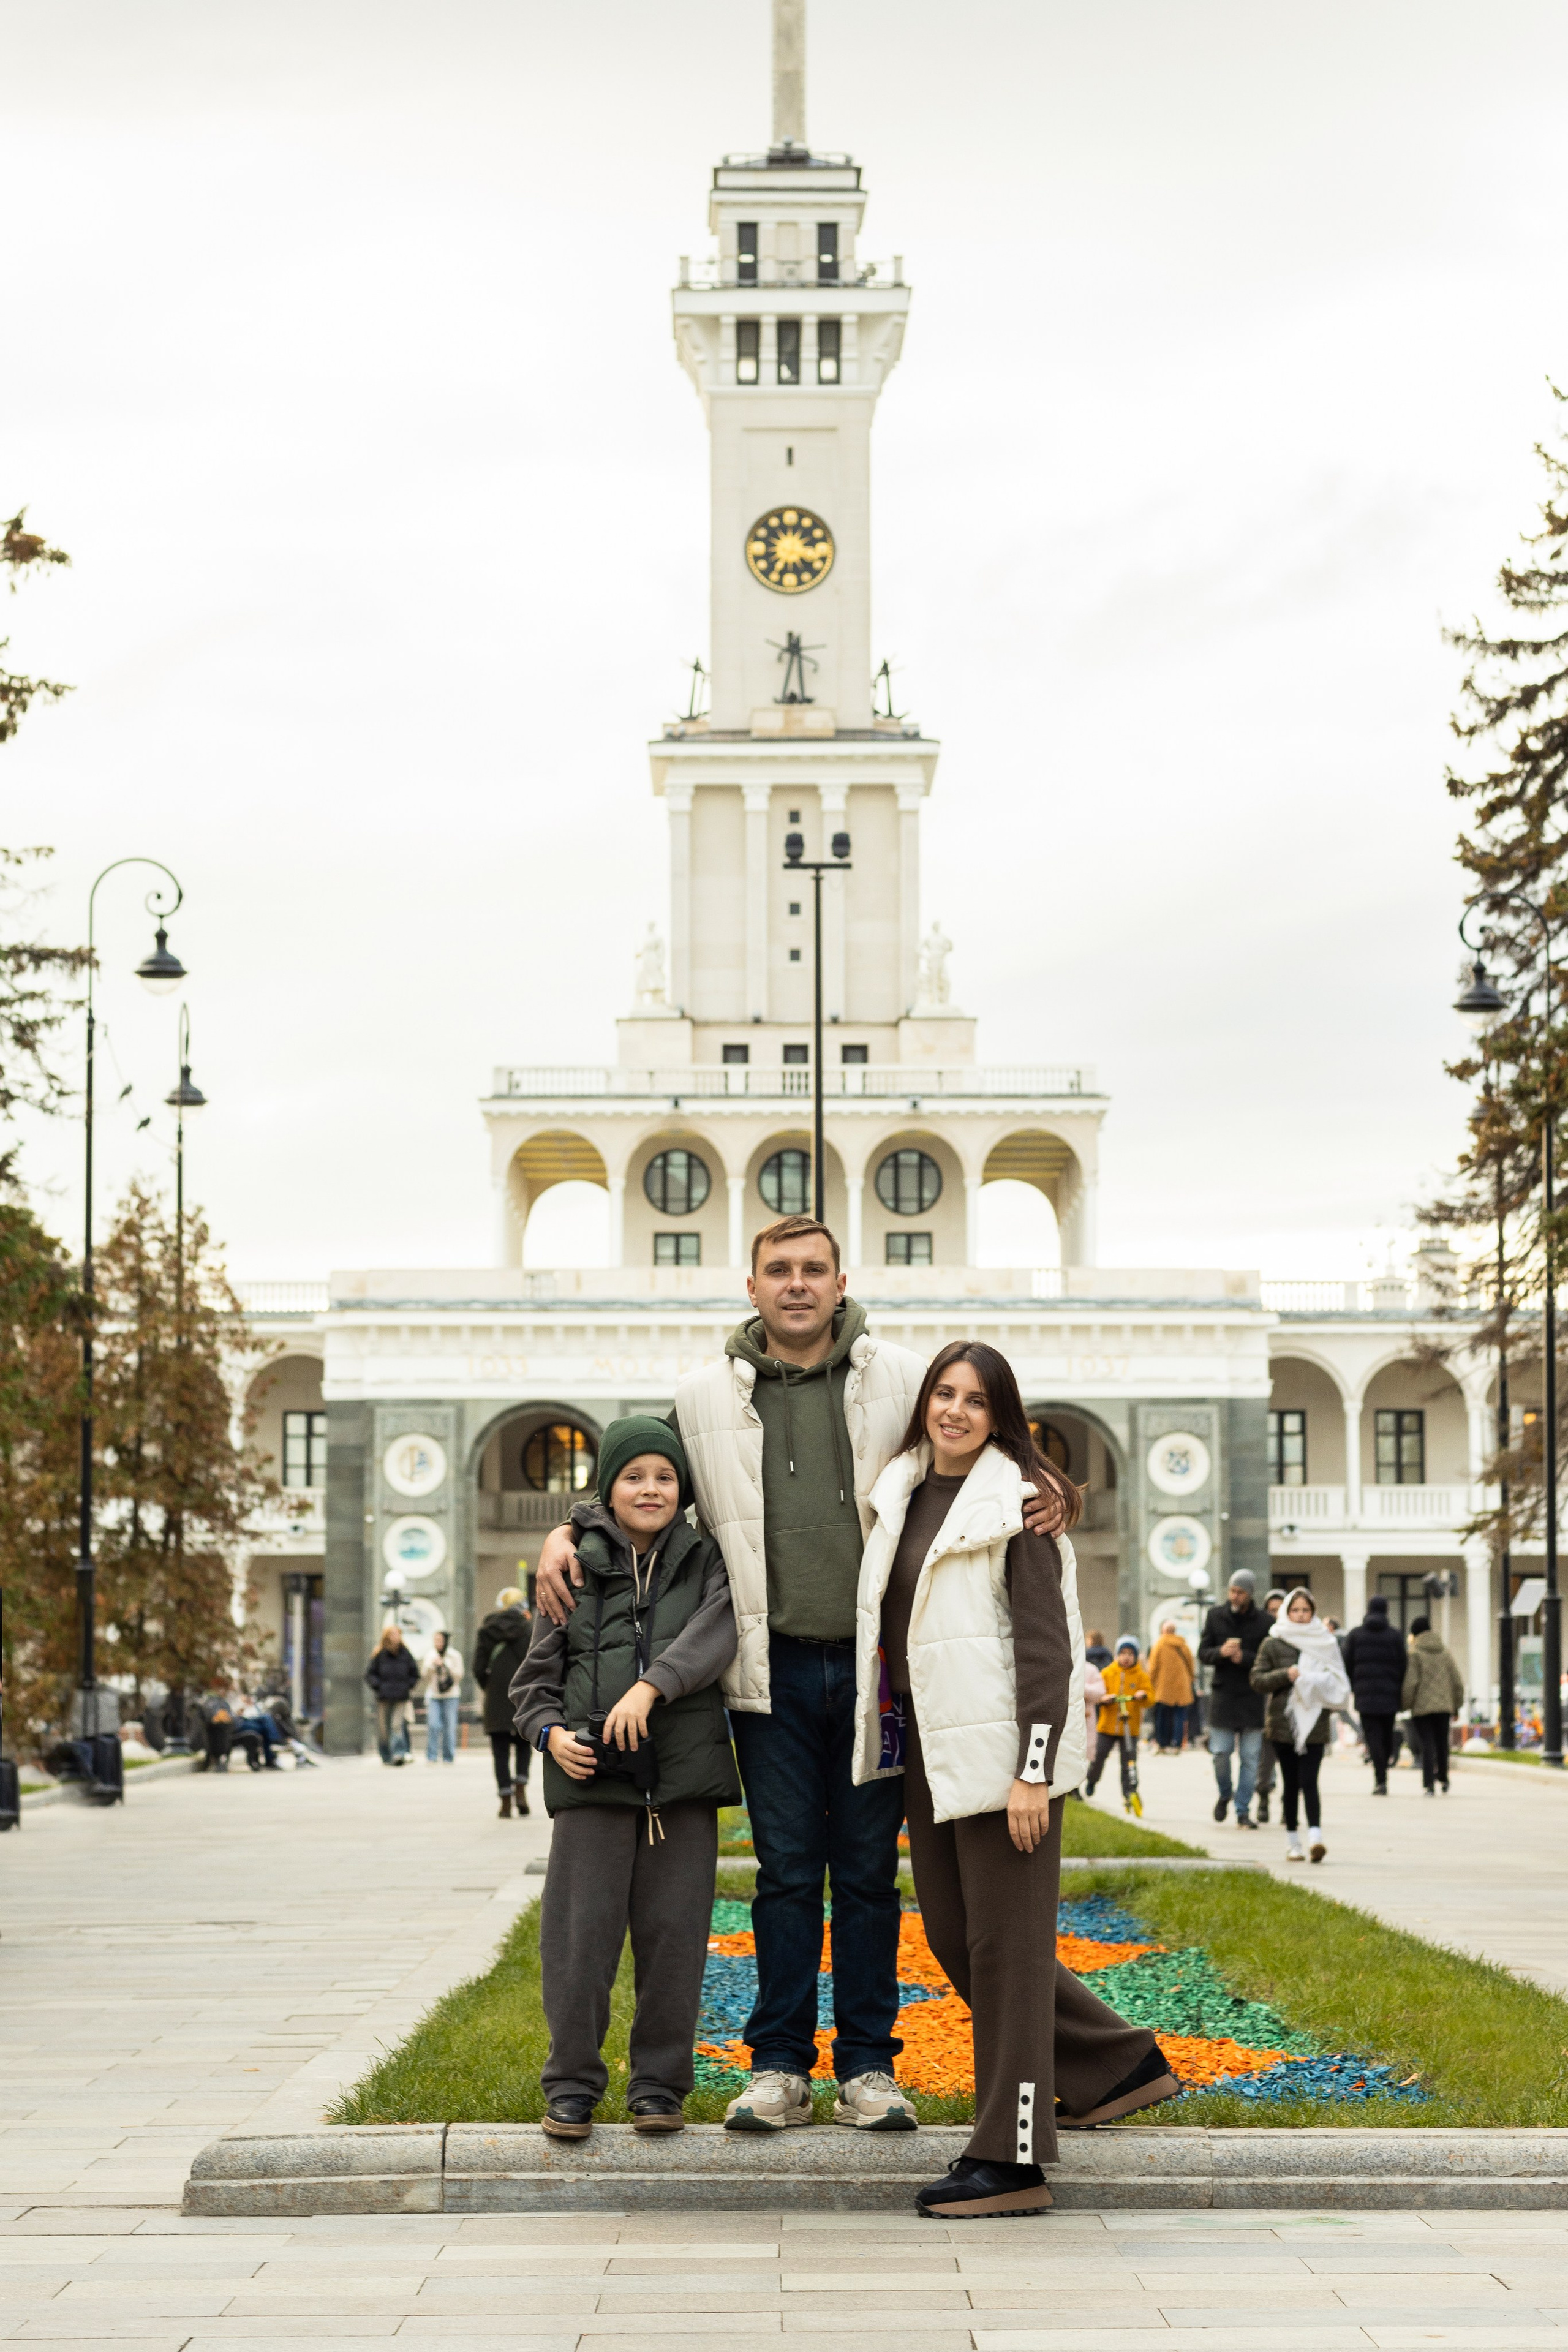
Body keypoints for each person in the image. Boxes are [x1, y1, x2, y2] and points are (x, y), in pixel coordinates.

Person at [533, 1215, 1069, 2136]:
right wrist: (568, 1525)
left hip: (875, 1675)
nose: (796, 1285)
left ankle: (868, 2066)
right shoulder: (703, 1393)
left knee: (866, 1874)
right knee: (785, 1874)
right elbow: (640, 1470)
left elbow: (972, 1434)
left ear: (840, 1281)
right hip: (767, 1674)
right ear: (751, 1287)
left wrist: (1040, 1481)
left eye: (813, 1269)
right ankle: (778, 2065)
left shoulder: (897, 1376)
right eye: (777, 1270)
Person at [853, 1341, 1176, 2220]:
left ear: (1001, 1416)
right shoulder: (904, 1492)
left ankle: (1013, 2156)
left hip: (1005, 1764)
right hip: (929, 1752)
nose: (955, 1410)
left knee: (1008, 1954)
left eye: (976, 1400)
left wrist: (1033, 1773)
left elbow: (1046, 1648)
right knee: (964, 1944)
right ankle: (1117, 2066)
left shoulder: (1020, 1504)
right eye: (943, 1394)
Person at [511, 1416, 741, 2141]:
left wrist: (653, 1687)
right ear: (608, 1488)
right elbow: (532, 1684)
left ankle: (658, 2088)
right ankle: (571, 2084)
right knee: (578, 1945)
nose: (650, 1489)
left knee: (675, 1944)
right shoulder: (572, 1565)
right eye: (634, 1476)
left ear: (683, 1489)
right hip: (591, 1788)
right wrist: (550, 1738)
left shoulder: (710, 1560)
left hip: (682, 1786)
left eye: (665, 1477)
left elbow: (719, 1632)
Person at [1250, 1587, 1350, 1863]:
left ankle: (1316, 1838)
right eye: (1296, 1610)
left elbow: (1339, 1680)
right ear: (1287, 1612)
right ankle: (1293, 1841)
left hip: (1315, 1722)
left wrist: (1315, 1682)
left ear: (1313, 1612)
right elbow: (1257, 1680)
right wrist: (1286, 1675)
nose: (1301, 1615)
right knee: (1291, 1783)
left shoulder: (1325, 1642)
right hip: (1283, 1723)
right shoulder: (1273, 1642)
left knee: (1310, 1781)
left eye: (1306, 1610)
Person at [1198, 1569, 1268, 1828]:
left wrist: (1245, 1658)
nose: (1235, 1596)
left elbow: (1266, 1659)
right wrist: (1221, 1652)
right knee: (1221, 1753)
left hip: (1252, 1696)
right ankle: (1225, 1793)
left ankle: (1242, 1810)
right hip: (1224, 1695)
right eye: (1232, 1591)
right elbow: (1203, 1653)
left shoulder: (1264, 1622)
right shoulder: (1215, 1616)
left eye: (1241, 1592)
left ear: (1250, 1594)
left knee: (1250, 1758)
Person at [475, 1586, 535, 1817]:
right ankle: (521, 1788)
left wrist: (489, 1687)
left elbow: (478, 1667)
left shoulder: (487, 1630)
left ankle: (505, 1801)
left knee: (500, 1752)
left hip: (496, 1696)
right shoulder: (529, 1628)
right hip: (522, 1695)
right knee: (523, 1745)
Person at [1344, 1594, 1408, 1795]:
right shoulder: (1395, 1635)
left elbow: (1346, 1664)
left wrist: (1355, 1686)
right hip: (1390, 1695)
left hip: (1365, 1696)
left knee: (1372, 1737)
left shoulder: (1355, 1635)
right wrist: (1397, 1685)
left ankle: (1380, 1779)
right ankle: (1384, 1768)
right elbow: (1404, 1664)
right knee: (1386, 1735)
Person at [1084, 1637, 1153, 1806]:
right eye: (1123, 1653)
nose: (1126, 1657)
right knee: (1099, 1756)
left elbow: (1151, 1698)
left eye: (1130, 1654)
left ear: (1136, 1656)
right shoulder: (1108, 1673)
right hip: (1107, 1727)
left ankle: (1129, 1791)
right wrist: (1105, 1698)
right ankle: (1092, 1780)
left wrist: (1142, 1695)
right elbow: (1099, 1694)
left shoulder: (1141, 1676)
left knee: (1129, 1761)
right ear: (1117, 1655)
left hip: (1130, 1728)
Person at [1403, 1615, 1465, 1794]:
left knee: (1427, 1744)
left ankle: (1429, 1783)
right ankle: (1444, 1779)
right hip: (1444, 1707)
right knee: (1442, 1743)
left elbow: (1411, 1683)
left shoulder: (1414, 1653)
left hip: (1422, 1709)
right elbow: (1457, 1682)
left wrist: (1405, 1704)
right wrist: (1457, 1705)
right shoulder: (1445, 1652)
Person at [364, 1626, 420, 1765]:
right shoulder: (380, 1654)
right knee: (383, 1727)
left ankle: (398, 1753)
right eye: (393, 1634)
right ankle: (386, 1754)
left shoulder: (405, 1654)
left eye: (398, 1634)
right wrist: (378, 1686)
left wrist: (408, 1686)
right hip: (384, 1696)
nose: (396, 1637)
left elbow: (415, 1673)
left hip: (401, 1696)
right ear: (387, 1636)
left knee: (396, 1725)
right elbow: (370, 1674)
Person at [1147, 1618, 1196, 1752]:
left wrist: (1150, 1682)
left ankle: (1162, 1744)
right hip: (1182, 1686)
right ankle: (1177, 1745)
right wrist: (1191, 1679)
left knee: (1162, 1716)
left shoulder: (1159, 1644)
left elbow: (1153, 1666)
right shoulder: (1182, 1644)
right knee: (1180, 1715)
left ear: (1163, 1631)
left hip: (1164, 1686)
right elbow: (1191, 1664)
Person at [419, 1629, 464, 1765]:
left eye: (440, 1640)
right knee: (433, 1725)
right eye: (435, 1640)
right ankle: (432, 1755)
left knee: (449, 1726)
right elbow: (424, 1676)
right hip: (434, 1695)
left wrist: (445, 1665)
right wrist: (433, 1665)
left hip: (451, 1695)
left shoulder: (455, 1655)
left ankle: (448, 1756)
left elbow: (459, 1675)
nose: (438, 1643)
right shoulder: (430, 1655)